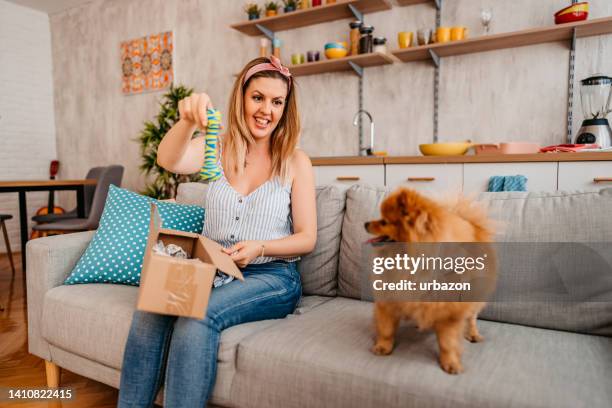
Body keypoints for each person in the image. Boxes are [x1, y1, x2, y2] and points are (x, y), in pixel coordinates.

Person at [117, 55, 317, 407]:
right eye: (258, 97)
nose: (266, 110)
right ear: (241, 97)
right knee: (151, 308)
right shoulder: (218, 148)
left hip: (271, 275)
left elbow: (307, 237)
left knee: (198, 318)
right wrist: (187, 122)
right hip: (210, 268)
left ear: (285, 108)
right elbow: (169, 160)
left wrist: (259, 246)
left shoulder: (296, 161)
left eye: (276, 101)